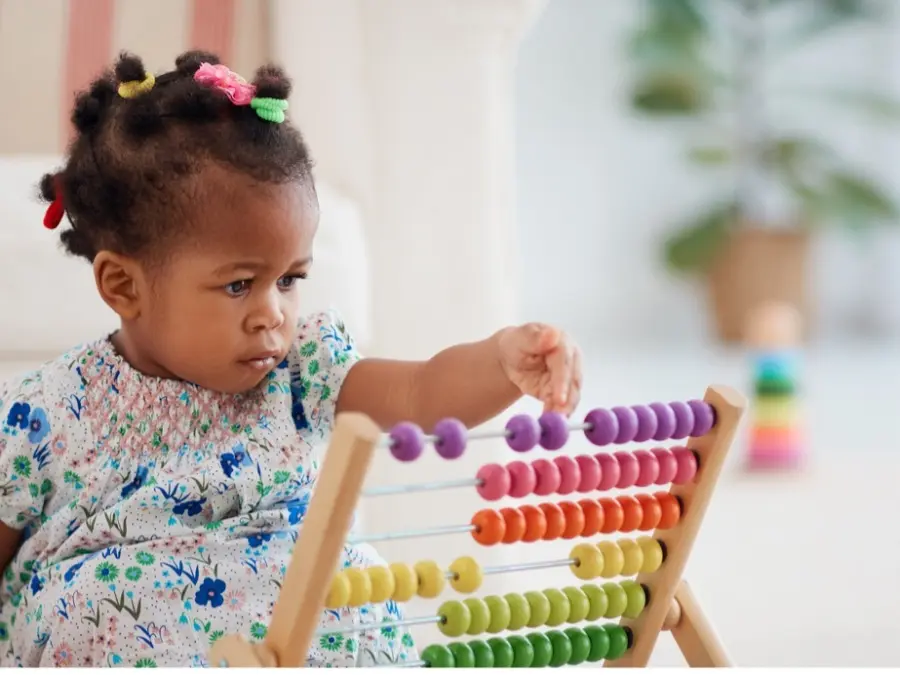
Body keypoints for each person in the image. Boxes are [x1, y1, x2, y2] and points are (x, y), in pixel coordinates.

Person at [0, 51, 582, 667]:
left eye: (290, 279)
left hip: (299, 621)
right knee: (97, 608)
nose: (271, 313)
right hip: (132, 627)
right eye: (237, 285)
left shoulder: (303, 370)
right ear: (124, 286)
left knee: (353, 583)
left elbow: (423, 394)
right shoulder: (43, 412)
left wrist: (500, 362)